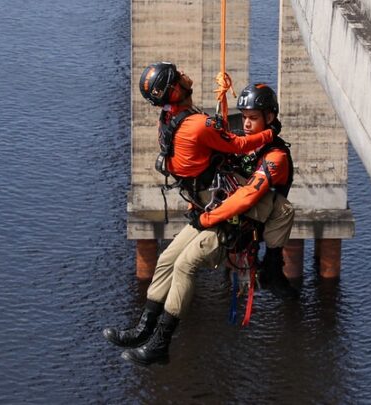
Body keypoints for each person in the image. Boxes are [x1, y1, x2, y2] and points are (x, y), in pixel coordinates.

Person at [103, 62, 279, 366]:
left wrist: (220, 106)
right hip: (216, 207)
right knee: (169, 259)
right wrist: (269, 133)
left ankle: (156, 338)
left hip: (208, 204)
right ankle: (148, 332)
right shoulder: (198, 125)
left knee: (180, 263)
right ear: (175, 89)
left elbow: (209, 138)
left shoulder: (170, 119)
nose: (184, 72)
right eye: (178, 74)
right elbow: (236, 144)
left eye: (253, 119)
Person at [188, 83, 298, 301]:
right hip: (229, 207)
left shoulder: (276, 156)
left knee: (285, 210)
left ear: (268, 117)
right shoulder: (241, 141)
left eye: (253, 118)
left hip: (252, 213)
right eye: (244, 117)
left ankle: (272, 266)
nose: (246, 124)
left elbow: (248, 196)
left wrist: (207, 219)